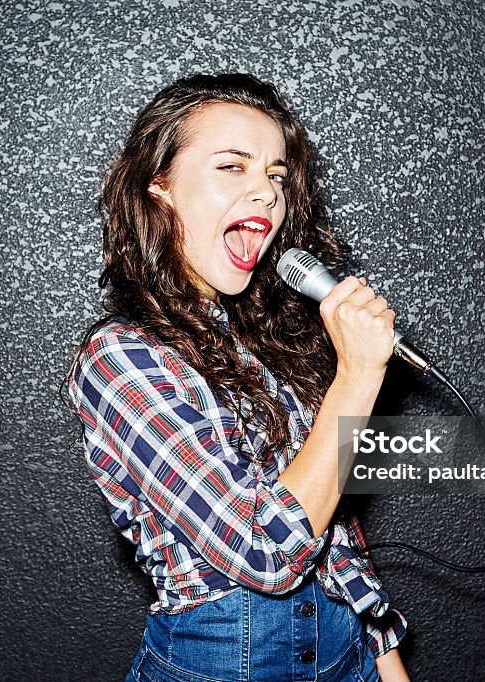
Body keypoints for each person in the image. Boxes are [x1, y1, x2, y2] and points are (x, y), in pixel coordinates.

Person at [65, 73, 410, 682]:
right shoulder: (120, 358)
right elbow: (266, 550)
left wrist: (383, 657)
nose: (269, 194)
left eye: (277, 175)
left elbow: (333, 526)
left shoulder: (272, 339)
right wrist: (357, 377)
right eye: (233, 167)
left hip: (345, 657)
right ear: (161, 188)